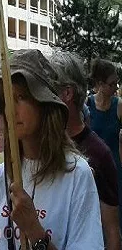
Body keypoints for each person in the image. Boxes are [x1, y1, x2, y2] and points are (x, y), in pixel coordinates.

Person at [0, 49, 103, 249]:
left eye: (21, 97)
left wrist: (35, 231)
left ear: (44, 104)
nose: (10, 108)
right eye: (7, 98)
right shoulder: (2, 176)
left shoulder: (77, 174)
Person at [50, 51, 121, 250]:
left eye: (48, 88)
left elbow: (112, 234)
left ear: (67, 93)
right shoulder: (42, 148)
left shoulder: (99, 155)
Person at [87, 58, 122, 228]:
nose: (116, 88)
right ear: (100, 84)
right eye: (112, 84)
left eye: (117, 83)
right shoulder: (87, 105)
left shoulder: (119, 105)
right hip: (94, 172)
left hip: (116, 171)